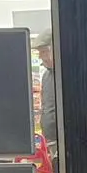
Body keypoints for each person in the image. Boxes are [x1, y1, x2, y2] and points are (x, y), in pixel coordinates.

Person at [33, 27, 59, 156]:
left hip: (61, 140)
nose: (41, 56)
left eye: (44, 51)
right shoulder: (46, 76)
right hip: (49, 139)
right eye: (40, 53)